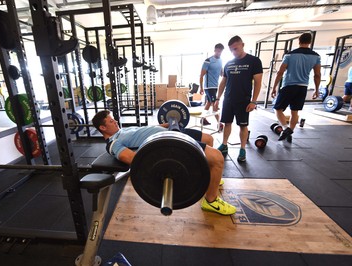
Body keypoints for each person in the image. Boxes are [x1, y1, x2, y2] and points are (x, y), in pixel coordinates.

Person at [92, 110, 236, 216]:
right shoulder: (114, 143)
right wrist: (163, 154)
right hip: (167, 141)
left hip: (170, 130)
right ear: (103, 128)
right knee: (217, 158)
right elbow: (132, 158)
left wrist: (165, 124)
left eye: (114, 119)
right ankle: (210, 201)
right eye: (111, 121)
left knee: (208, 138)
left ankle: (210, 180)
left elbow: (144, 131)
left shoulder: (122, 130)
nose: (115, 121)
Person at [217, 36, 263, 162]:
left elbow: (258, 82)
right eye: (231, 50)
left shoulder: (254, 61)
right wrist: (217, 98)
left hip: (244, 100)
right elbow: (223, 82)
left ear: (242, 45)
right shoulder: (229, 63)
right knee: (227, 123)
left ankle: (242, 149)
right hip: (228, 99)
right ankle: (224, 144)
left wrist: (253, 101)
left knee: (243, 126)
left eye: (236, 49)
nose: (234, 52)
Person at [271, 33, 321, 141]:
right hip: (303, 87)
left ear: (299, 41)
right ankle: (290, 131)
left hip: (289, 85)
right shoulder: (316, 56)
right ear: (310, 42)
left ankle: (285, 129)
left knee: (277, 108)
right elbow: (317, 75)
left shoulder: (289, 55)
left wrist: (274, 87)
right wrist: (317, 90)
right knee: (295, 112)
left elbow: (280, 72)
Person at [199, 43, 224, 126]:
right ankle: (219, 123)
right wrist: (201, 88)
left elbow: (222, 73)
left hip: (216, 86)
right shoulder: (208, 60)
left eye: (220, 52)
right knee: (215, 104)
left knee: (209, 103)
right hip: (209, 86)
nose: (218, 53)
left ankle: (203, 119)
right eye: (217, 51)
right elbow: (201, 75)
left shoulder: (220, 61)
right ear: (214, 50)